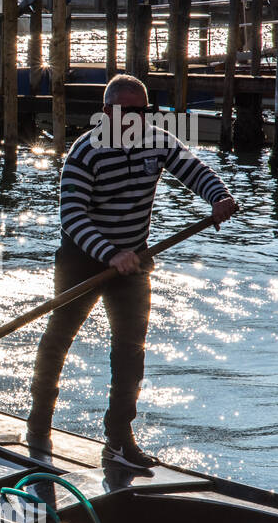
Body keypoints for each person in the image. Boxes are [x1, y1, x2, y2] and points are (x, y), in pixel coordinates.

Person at [26, 74, 239, 471]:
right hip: (82, 259)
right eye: (128, 112)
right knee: (59, 338)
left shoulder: (156, 140)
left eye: (142, 111)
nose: (137, 119)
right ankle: (38, 424)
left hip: (134, 260)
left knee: (130, 350)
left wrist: (219, 196)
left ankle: (119, 440)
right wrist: (109, 254)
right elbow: (72, 216)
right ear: (107, 113)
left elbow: (193, 170)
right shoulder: (85, 152)